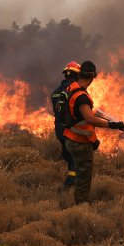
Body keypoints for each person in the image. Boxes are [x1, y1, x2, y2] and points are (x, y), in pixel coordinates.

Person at [56, 60, 124, 205]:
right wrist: (112, 125)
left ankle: (75, 198)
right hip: (79, 141)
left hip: (70, 137)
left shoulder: (71, 88)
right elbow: (89, 119)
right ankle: (82, 205)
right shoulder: (81, 96)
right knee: (84, 175)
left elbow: (77, 114)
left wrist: (93, 140)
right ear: (92, 77)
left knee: (78, 170)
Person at [50, 61, 83, 191]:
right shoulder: (75, 90)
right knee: (76, 159)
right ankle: (69, 186)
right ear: (77, 76)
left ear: (65, 75)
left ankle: (71, 182)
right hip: (71, 129)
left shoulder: (55, 92)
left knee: (69, 157)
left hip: (59, 129)